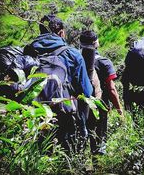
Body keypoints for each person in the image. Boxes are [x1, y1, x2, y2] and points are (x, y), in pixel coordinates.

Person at [24, 14, 93, 150]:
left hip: (35, 116)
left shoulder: (28, 52)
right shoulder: (72, 54)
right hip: (64, 117)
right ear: (61, 32)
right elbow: (86, 91)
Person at [79, 30, 123, 156]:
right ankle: (98, 162)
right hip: (99, 105)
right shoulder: (104, 62)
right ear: (95, 43)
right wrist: (119, 108)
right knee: (99, 137)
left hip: (80, 105)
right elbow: (111, 89)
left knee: (82, 136)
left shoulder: (76, 59)